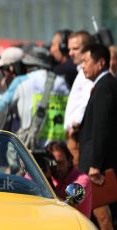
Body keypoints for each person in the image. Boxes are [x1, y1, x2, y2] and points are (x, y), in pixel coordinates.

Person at [79, 43, 117, 230]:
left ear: (100, 62)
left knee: (103, 216)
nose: (82, 65)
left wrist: (96, 165)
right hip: (100, 163)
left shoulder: (104, 88)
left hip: (99, 169)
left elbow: (102, 128)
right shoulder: (106, 85)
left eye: (86, 61)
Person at [63, 31, 94, 168]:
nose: (70, 53)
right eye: (69, 49)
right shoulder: (81, 72)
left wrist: (75, 126)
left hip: (77, 137)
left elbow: (87, 102)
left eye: (75, 49)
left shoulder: (87, 74)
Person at [45, 141, 92, 218]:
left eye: (60, 163)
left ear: (69, 160)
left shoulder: (82, 180)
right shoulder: (48, 174)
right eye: (52, 163)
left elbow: (68, 206)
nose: (56, 167)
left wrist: (45, 182)